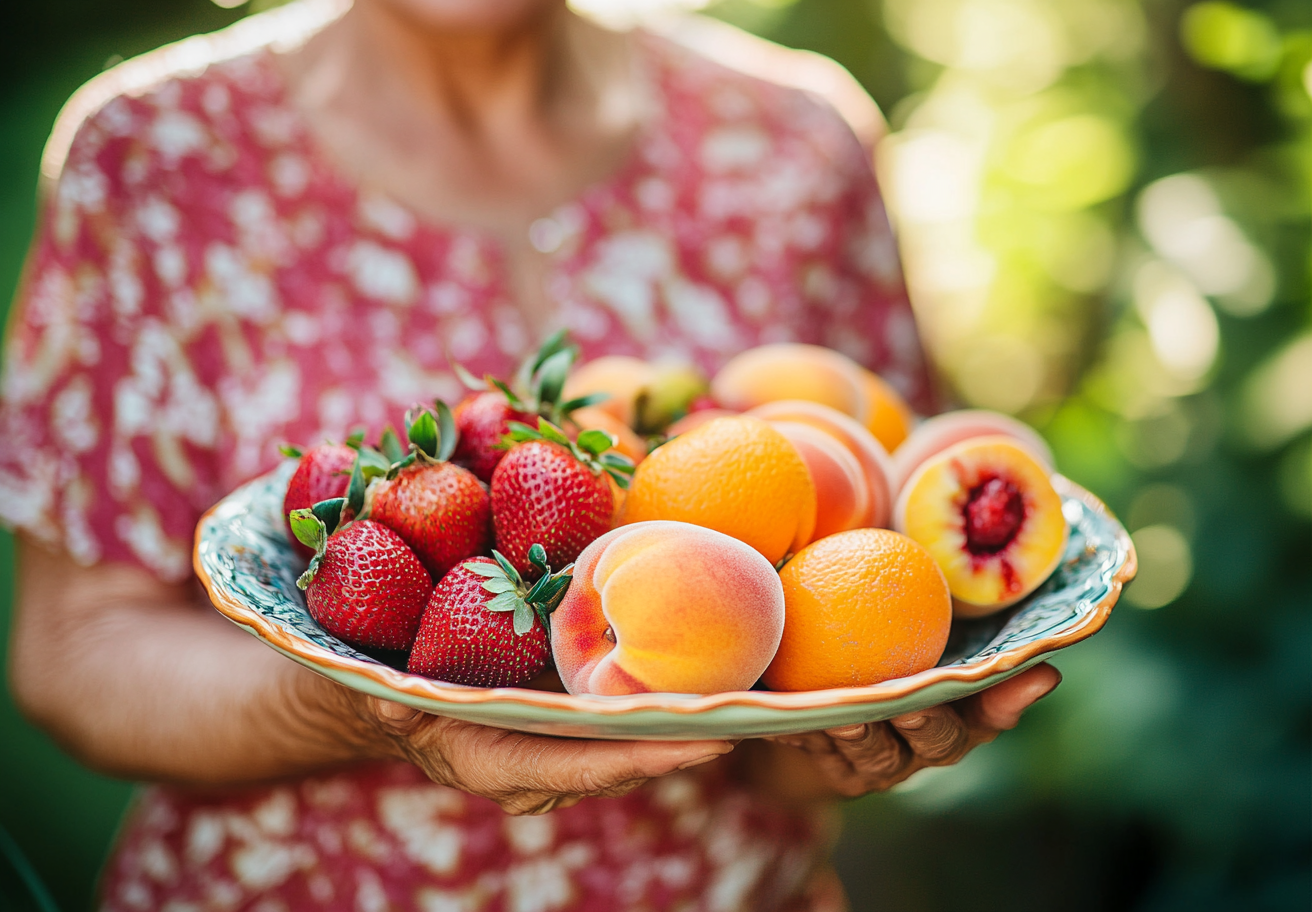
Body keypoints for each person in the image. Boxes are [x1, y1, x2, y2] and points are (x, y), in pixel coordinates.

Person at [2, 0, 1061, 908]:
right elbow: (77, 648)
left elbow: (842, 596)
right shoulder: (155, 157)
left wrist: (847, 734)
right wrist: (356, 708)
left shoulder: (794, 145)